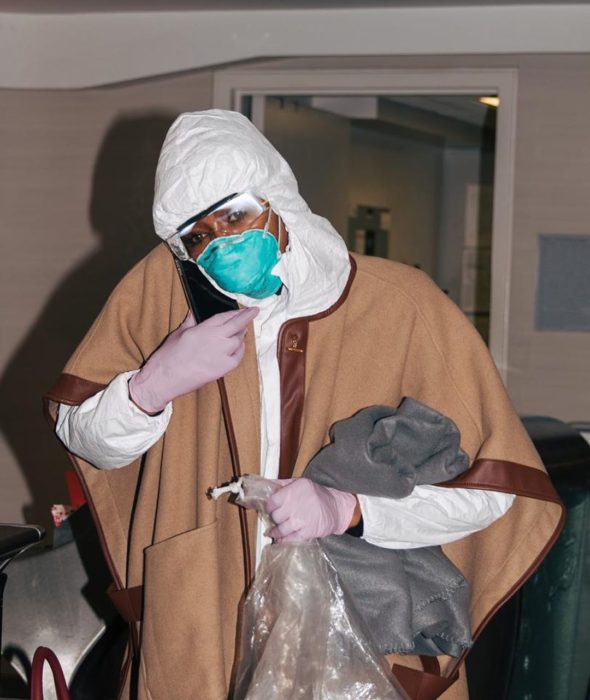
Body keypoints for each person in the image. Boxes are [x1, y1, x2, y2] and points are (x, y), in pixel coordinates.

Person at [45, 110, 563, 700]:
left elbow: (491, 493)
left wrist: (349, 510)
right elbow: (83, 436)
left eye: (235, 214)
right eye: (198, 234)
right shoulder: (162, 292)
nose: (221, 242)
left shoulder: (404, 308)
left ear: (276, 196)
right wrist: (151, 385)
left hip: (360, 641)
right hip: (200, 625)